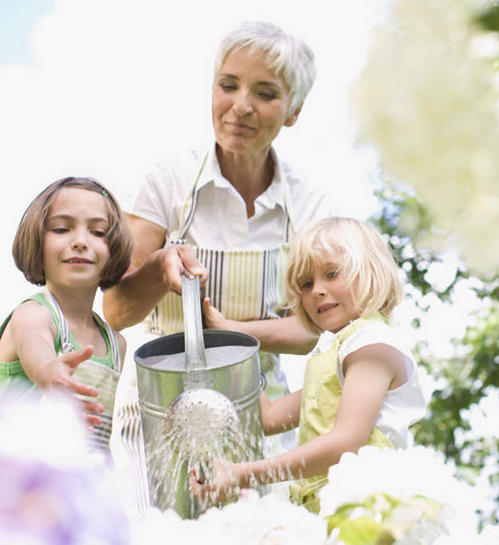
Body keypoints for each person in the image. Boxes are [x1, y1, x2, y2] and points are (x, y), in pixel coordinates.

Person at [103, 20, 331, 468]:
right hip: (157, 413)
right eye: (228, 85)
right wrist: (161, 267)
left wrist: (233, 334)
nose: (240, 106)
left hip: (258, 414)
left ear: (293, 111)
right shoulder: (167, 180)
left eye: (265, 93)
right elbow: (115, 311)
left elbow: (310, 328)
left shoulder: (308, 203)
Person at [190, 217, 427, 513]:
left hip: (368, 512)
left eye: (332, 273)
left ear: (371, 271)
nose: (317, 290)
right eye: (306, 284)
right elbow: (270, 418)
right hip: (336, 513)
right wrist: (229, 342)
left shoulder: (372, 346)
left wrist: (242, 474)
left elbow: (345, 445)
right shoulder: (336, 357)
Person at [0, 177, 131, 452]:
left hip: (78, 477)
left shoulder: (115, 344)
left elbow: (98, 443)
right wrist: (48, 371)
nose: (80, 241)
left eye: (98, 232)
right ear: (36, 241)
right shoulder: (33, 314)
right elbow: (33, 341)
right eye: (61, 229)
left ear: (115, 248)